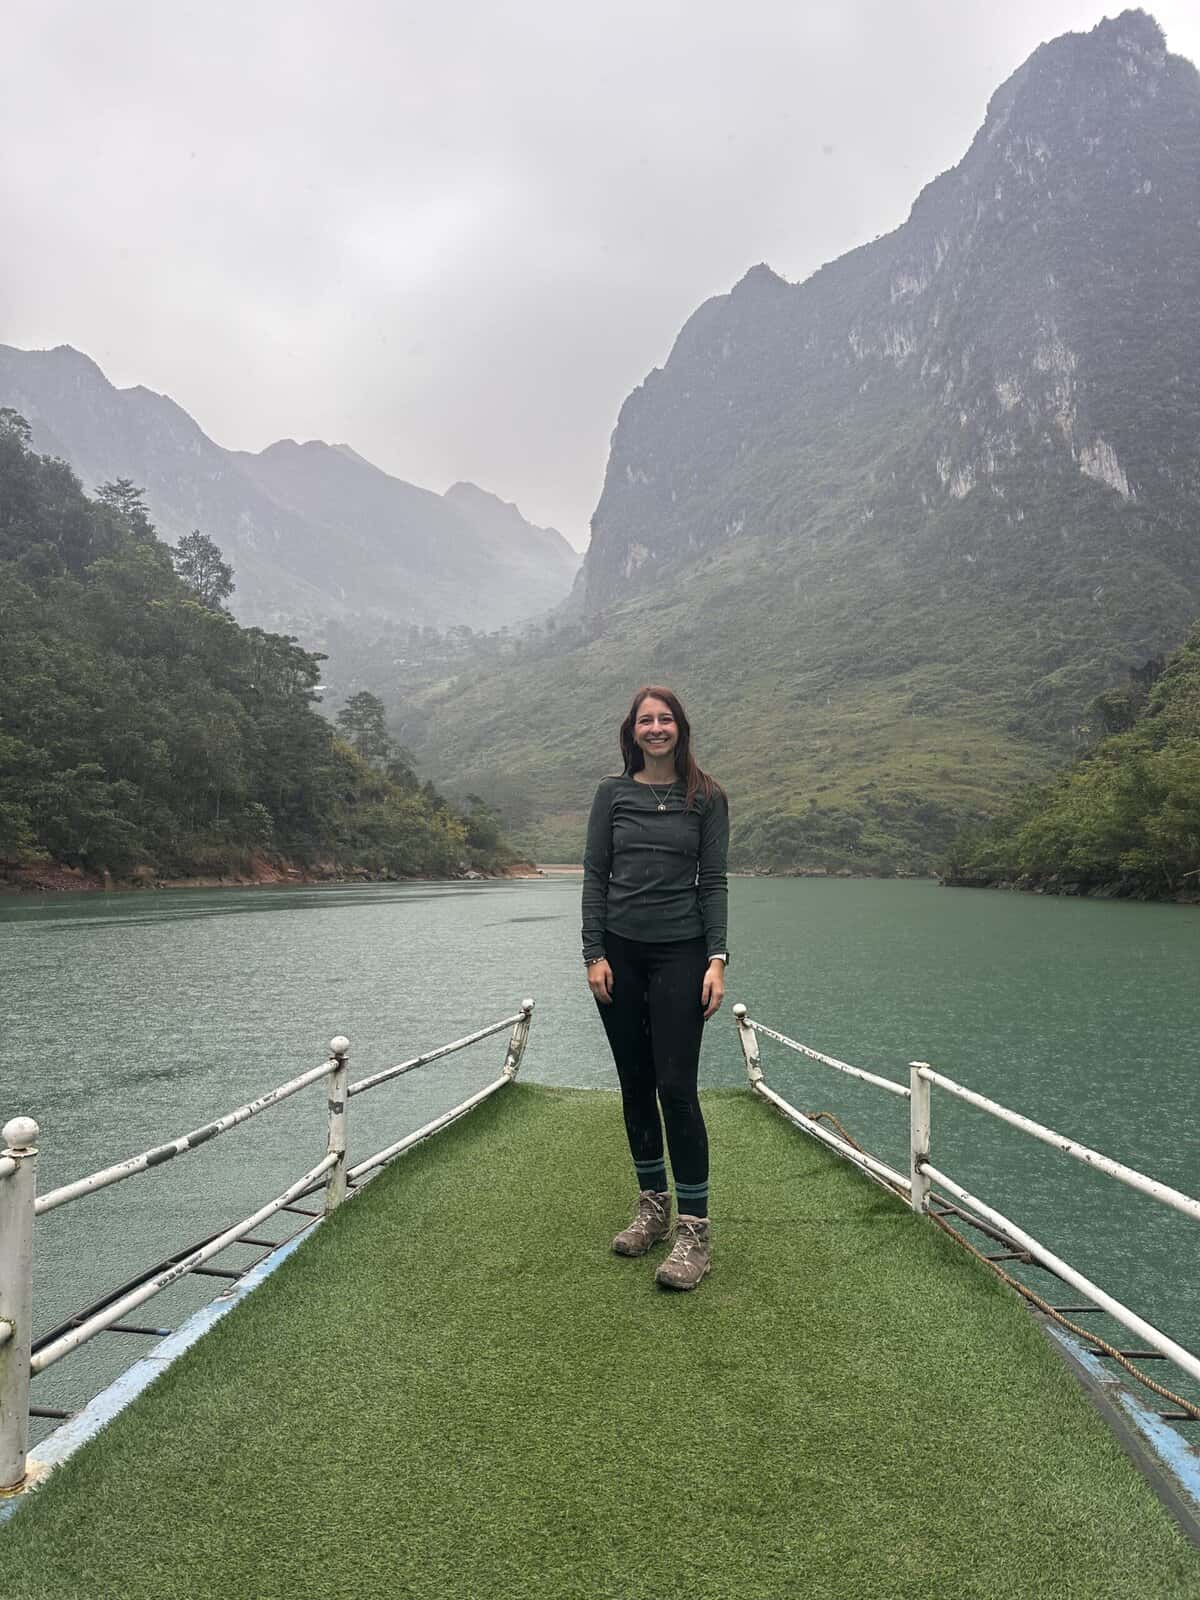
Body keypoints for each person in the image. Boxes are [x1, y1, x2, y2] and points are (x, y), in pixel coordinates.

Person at [581, 685, 729, 1290]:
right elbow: (595, 874)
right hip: (621, 953)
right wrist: (593, 952)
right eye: (646, 720)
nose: (657, 728)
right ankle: (653, 1205)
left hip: (682, 953)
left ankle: (693, 1229)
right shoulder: (611, 794)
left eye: (666, 719)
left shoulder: (707, 798)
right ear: (632, 731)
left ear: (681, 727)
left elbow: (714, 881)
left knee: (676, 1086)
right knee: (636, 1083)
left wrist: (716, 959)